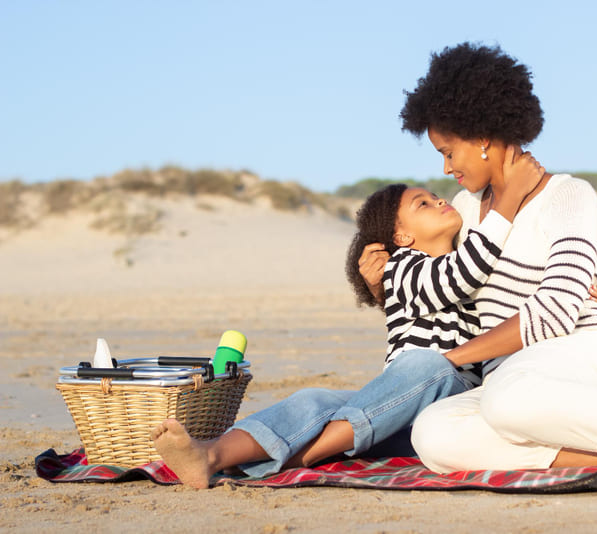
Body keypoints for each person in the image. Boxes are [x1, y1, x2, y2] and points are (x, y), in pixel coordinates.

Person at [361, 41, 597, 487]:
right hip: (507, 375)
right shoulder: (464, 212)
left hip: (581, 354)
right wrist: (381, 287)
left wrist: (451, 359)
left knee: (509, 399)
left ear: (483, 138)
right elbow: (445, 290)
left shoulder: (569, 195)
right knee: (434, 433)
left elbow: (555, 312)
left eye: (449, 151)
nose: (447, 168)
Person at [150, 148, 546, 489]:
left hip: (438, 415)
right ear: (403, 237)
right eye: (422, 204)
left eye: (436, 197)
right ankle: (212, 453)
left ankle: (292, 456)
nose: (440, 202)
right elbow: (461, 274)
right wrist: (508, 201)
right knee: (317, 399)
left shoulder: (451, 264)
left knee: (414, 376)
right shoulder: (403, 268)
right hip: (404, 401)